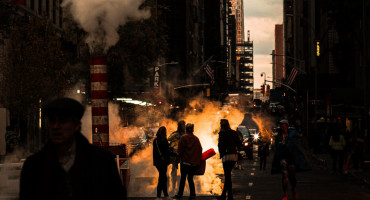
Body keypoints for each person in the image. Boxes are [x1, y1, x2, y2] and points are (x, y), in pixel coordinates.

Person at [19, 97, 126, 200]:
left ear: (77, 126)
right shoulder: (33, 166)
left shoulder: (102, 162)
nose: (56, 126)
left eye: (63, 121)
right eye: (52, 121)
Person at [271, 119, 311, 200]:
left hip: (291, 157)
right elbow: (277, 147)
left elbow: (296, 144)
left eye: (283, 124)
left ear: (286, 125)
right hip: (283, 157)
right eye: (281, 125)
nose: (282, 126)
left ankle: (293, 189)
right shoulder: (278, 136)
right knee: (285, 175)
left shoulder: (292, 134)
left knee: (292, 176)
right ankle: (285, 194)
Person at [173, 123, 202, 200]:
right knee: (190, 179)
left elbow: (180, 151)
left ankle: (180, 194)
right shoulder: (196, 139)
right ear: (193, 129)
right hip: (193, 164)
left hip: (185, 163)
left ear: (186, 129)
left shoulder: (183, 137)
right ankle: (192, 195)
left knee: (183, 179)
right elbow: (200, 150)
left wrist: (176, 161)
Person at [217, 119, 242, 200]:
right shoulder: (234, 132)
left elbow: (220, 145)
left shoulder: (222, 133)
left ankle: (226, 196)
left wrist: (221, 154)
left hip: (226, 156)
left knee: (227, 176)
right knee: (228, 176)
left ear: (221, 125)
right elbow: (239, 144)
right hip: (234, 156)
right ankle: (227, 195)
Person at [153, 126, 171, 200]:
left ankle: (165, 195)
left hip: (157, 162)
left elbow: (154, 153)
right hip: (163, 162)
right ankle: (159, 196)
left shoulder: (155, 140)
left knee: (163, 178)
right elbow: (167, 152)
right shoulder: (164, 140)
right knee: (162, 178)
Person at [168, 120, 186, 193]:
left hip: (183, 155)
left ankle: (181, 188)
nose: (183, 126)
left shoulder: (185, 134)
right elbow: (168, 139)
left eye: (184, 125)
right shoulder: (175, 134)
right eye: (182, 125)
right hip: (175, 155)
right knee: (174, 171)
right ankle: (173, 187)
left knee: (183, 172)